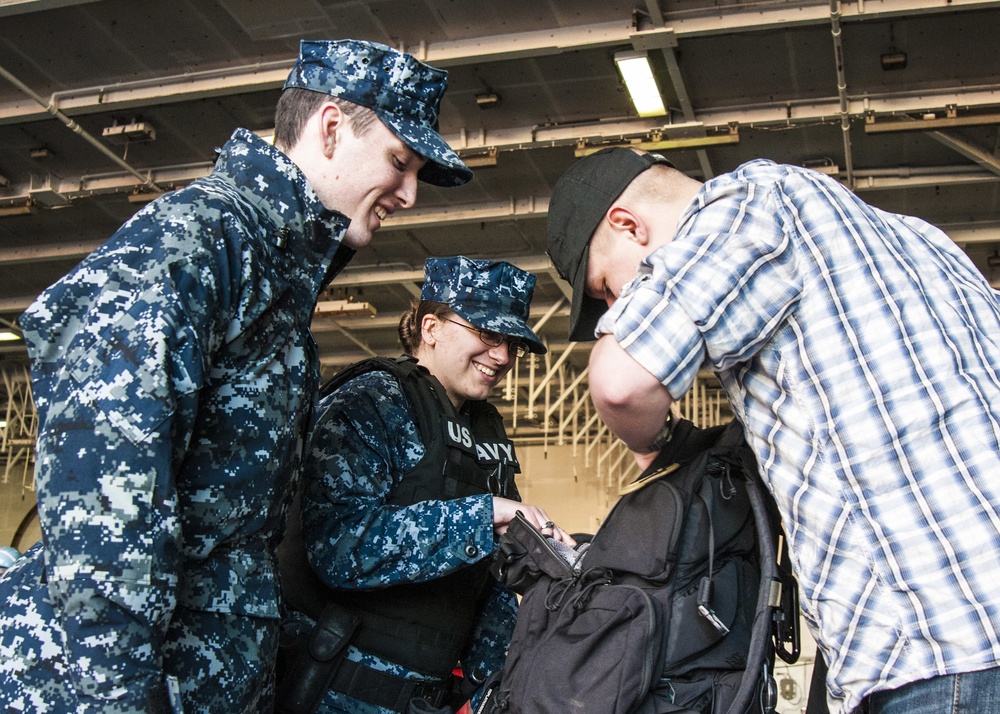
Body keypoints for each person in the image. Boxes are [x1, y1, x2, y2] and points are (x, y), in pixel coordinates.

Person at [0, 38, 471, 714]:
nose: (410, 194)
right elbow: (104, 501)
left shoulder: (274, 269)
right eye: (400, 163)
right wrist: (123, 699)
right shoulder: (198, 241)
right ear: (331, 128)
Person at [545, 147, 1000, 714]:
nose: (615, 305)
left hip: (933, 648)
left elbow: (621, 382)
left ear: (628, 225)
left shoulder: (749, 202)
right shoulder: (924, 242)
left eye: (606, 288)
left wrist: (654, 444)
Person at [279, 256, 574, 714]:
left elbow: (486, 582)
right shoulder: (374, 400)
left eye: (512, 342)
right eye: (488, 334)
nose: (503, 357)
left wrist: (497, 687)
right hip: (335, 690)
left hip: (427, 698)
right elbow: (338, 547)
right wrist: (483, 514)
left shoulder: (485, 432)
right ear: (431, 327)